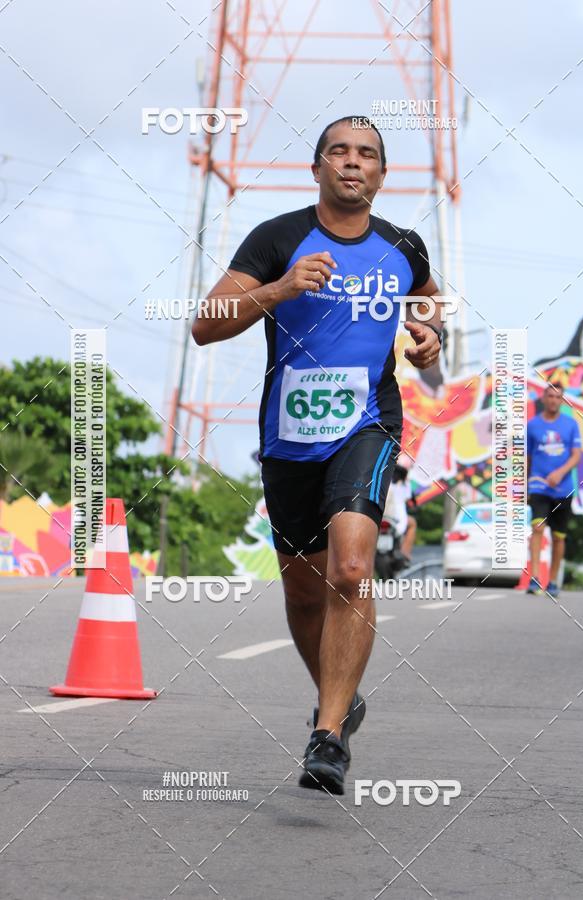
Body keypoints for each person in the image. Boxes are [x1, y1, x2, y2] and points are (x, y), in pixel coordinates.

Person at [192, 115, 442, 795]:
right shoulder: (276, 238)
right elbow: (204, 327)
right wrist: (279, 288)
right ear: (319, 168)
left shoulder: (404, 247)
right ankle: (340, 696)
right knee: (304, 590)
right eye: (339, 151)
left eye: (366, 154)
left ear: (382, 175)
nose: (352, 162)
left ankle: (327, 736)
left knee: (352, 566)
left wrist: (427, 339)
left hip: (367, 421)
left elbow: (428, 307)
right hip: (288, 433)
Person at [526, 383, 582, 597]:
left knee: (559, 537)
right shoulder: (532, 425)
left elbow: (576, 455)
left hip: (564, 489)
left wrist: (560, 472)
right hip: (539, 486)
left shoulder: (570, 425)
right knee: (538, 528)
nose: (553, 400)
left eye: (558, 397)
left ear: (562, 400)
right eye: (550, 396)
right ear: (543, 397)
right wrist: (525, 486)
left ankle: (553, 581)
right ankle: (534, 579)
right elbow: (528, 458)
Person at [382, 462, 417, 568]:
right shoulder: (405, 486)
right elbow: (411, 501)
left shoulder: (384, 482)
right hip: (398, 519)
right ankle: (405, 553)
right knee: (413, 524)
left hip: (381, 516)